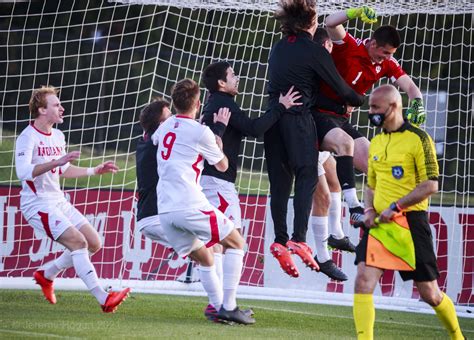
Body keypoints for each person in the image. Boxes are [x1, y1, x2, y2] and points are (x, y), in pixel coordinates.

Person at [353, 84, 464, 340]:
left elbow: (431, 185)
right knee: (363, 281)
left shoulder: (419, 139)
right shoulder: (377, 141)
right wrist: (369, 208)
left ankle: (458, 336)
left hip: (411, 224)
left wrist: (397, 206)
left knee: (430, 294)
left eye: (375, 107)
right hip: (380, 226)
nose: (371, 112)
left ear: (393, 107)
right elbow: (371, 183)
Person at [264, 0, 365, 278]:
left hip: (273, 119)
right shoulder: (314, 50)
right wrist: (359, 99)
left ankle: (280, 240)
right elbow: (341, 88)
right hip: (298, 121)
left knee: (280, 184)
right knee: (307, 176)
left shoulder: (279, 46)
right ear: (310, 22)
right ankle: (299, 238)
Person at [15, 86, 130, 313]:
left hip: (58, 200)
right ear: (41, 109)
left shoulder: (58, 135)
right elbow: (23, 172)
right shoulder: (27, 137)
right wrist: (56, 163)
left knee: (94, 243)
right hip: (37, 205)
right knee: (78, 242)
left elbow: (64, 169)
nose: (62, 108)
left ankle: (46, 275)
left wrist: (93, 171)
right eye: (56, 105)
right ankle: (103, 298)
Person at [153, 78, 255, 325]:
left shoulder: (164, 127)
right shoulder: (201, 132)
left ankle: (218, 307)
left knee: (207, 258)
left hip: (165, 209)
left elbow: (158, 140)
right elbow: (222, 165)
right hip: (189, 204)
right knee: (236, 242)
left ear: (175, 103)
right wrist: (217, 138)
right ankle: (229, 306)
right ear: (198, 104)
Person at [313, 6, 426, 224]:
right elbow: (330, 23)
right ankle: (354, 206)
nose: (387, 59)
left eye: (391, 55)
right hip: (318, 114)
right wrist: (354, 12)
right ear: (373, 44)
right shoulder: (349, 45)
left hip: (342, 120)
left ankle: (388, 214)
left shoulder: (386, 64)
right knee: (340, 156)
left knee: (374, 162)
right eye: (385, 53)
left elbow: (411, 89)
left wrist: (417, 103)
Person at [200, 61, 301, 284]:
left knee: (221, 239)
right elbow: (254, 129)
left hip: (212, 181)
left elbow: (244, 128)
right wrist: (281, 106)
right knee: (232, 240)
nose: (237, 78)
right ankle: (222, 299)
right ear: (221, 83)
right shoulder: (223, 103)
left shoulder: (214, 103)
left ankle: (218, 298)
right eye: (232, 75)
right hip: (217, 183)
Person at [309, 28, 357, 281]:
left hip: (320, 130)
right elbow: (313, 99)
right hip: (306, 136)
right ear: (325, 45)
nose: (332, 52)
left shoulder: (323, 63)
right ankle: (322, 257)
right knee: (323, 197)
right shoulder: (314, 64)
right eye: (330, 47)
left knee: (335, 178)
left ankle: (337, 234)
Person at [135, 99, 173, 248]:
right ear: (161, 124)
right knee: (211, 245)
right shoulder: (157, 145)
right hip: (158, 218)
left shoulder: (144, 142)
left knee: (202, 254)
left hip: (149, 218)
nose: (174, 119)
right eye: (170, 117)